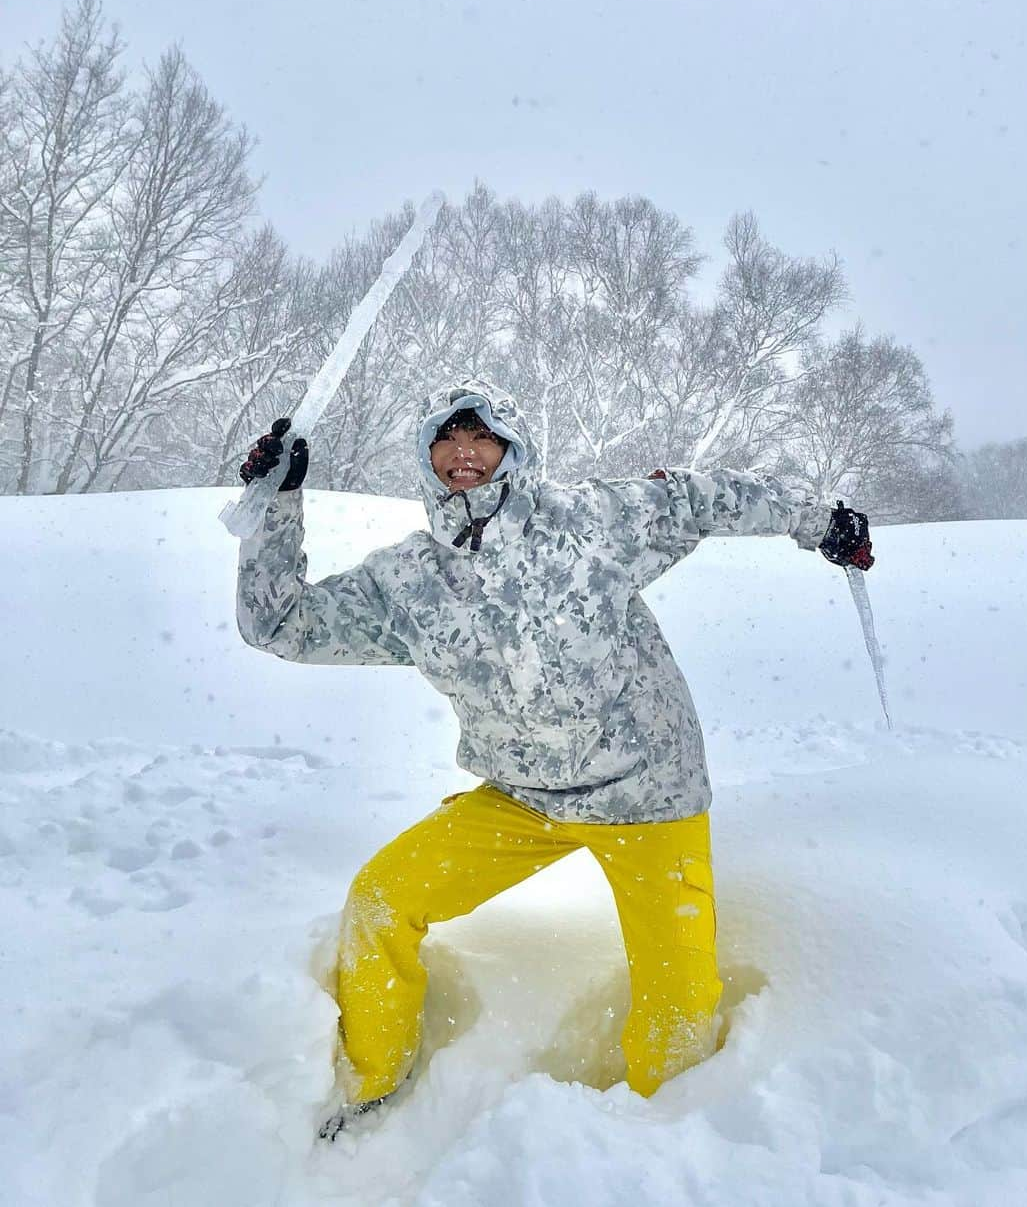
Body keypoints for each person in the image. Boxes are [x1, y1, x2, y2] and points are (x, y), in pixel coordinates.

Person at [235, 379, 874, 1137]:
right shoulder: (404, 582)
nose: (464, 452)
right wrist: (276, 506)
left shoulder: (591, 523)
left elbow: (704, 497)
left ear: (514, 449)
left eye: (483, 437)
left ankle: (665, 1143)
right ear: (426, 453)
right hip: (523, 800)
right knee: (380, 901)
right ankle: (372, 1083)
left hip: (647, 796)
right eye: (448, 437)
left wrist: (820, 520)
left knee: (678, 1003)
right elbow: (279, 624)